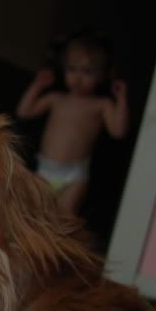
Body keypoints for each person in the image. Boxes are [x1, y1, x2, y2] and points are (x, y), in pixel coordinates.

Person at [15, 30, 129, 216]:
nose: (78, 77)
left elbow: (118, 131)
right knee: (31, 214)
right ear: (63, 69)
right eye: (72, 69)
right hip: (44, 170)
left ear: (102, 75)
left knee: (65, 218)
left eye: (87, 72)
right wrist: (38, 85)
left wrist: (121, 99)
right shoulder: (56, 99)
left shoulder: (101, 105)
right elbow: (24, 111)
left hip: (74, 175)